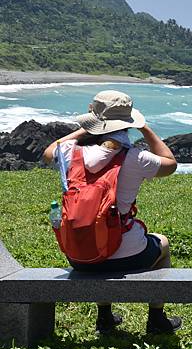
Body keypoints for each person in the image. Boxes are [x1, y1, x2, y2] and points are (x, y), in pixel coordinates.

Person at [42, 90, 182, 335]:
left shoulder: (69, 152)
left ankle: (104, 317)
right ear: (127, 123)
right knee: (163, 244)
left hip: (79, 255)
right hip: (127, 254)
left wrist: (88, 128)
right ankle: (157, 318)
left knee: (94, 235)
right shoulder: (135, 157)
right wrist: (145, 128)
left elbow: (48, 151)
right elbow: (170, 163)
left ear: (94, 120)